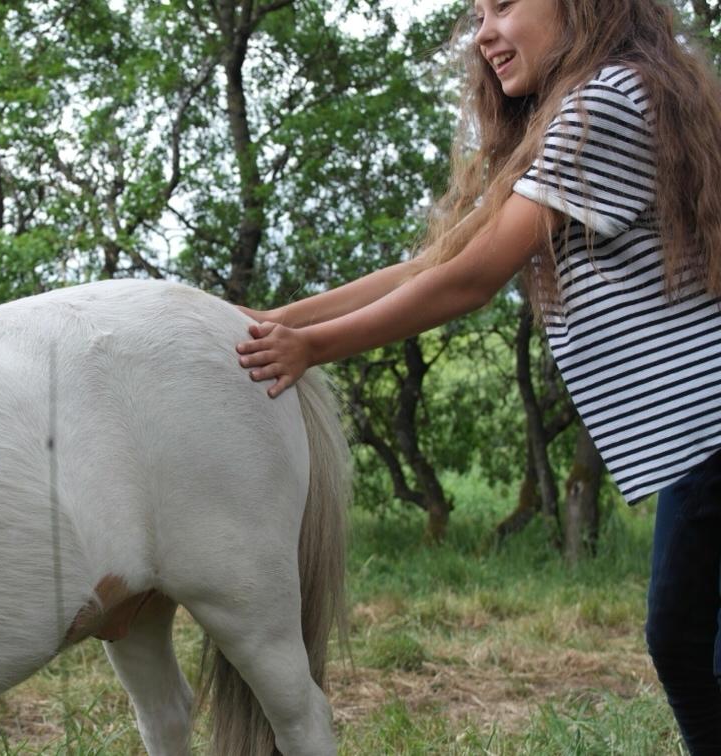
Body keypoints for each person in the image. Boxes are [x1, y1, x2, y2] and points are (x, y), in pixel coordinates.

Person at [235, 0, 721, 751]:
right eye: (476, 13)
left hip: (710, 440)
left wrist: (311, 350)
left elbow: (472, 281)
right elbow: (431, 263)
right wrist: (274, 323)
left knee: (688, 648)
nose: (485, 32)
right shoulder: (586, 111)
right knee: (684, 645)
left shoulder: (607, 104)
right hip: (696, 451)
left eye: (505, 4)